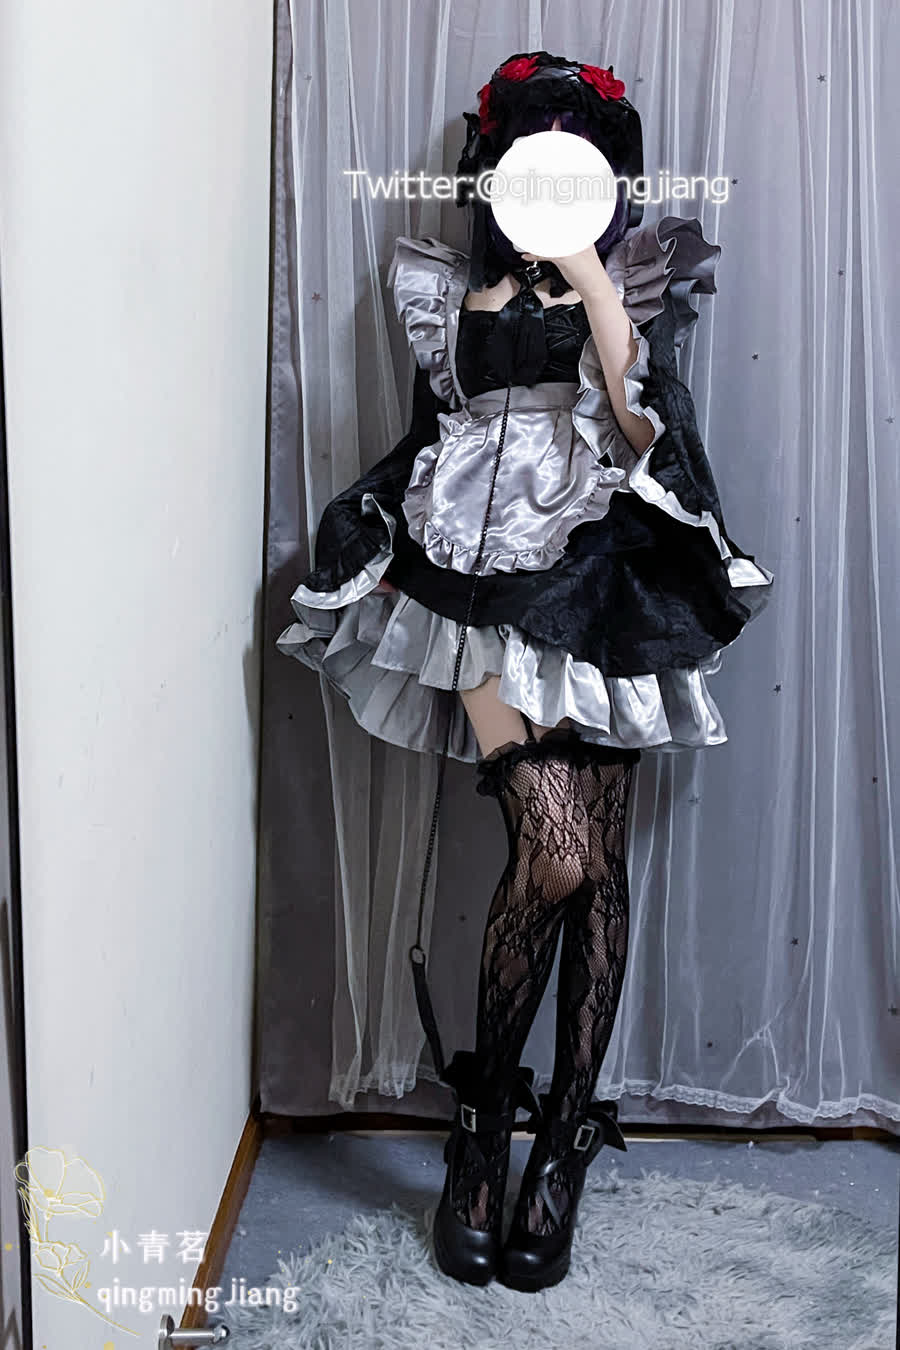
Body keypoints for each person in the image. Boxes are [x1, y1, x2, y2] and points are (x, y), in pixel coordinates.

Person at [276, 49, 774, 1293]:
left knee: (598, 871)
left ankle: (562, 1145)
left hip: (604, 580)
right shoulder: (443, 289)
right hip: (473, 579)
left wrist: (593, 273)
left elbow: (643, 421)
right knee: (554, 853)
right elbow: (429, 434)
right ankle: (480, 1127)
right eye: (528, 158)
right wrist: (382, 550)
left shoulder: (632, 280)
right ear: (494, 169)